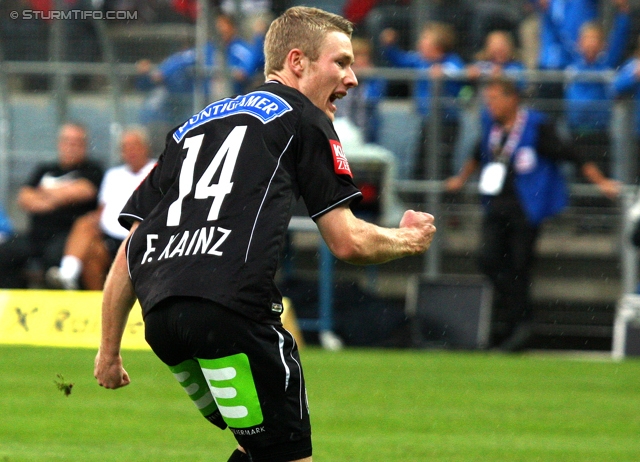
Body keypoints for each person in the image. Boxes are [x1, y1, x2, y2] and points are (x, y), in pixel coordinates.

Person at [94, 6, 436, 462]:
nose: (352, 78)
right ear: (297, 62)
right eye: (341, 62)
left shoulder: (192, 126)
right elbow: (347, 240)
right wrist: (407, 239)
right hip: (230, 310)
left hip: (163, 321)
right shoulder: (305, 118)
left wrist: (109, 350)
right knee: (288, 454)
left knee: (258, 444)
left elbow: (131, 248)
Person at [446, 77, 619, 352]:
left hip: (525, 211)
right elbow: (476, 155)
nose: (490, 106)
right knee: (488, 259)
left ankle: (518, 325)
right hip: (496, 207)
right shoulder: (492, 129)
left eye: (495, 99)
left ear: (512, 98)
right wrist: (460, 179)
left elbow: (571, 154)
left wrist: (603, 183)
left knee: (519, 267)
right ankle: (514, 317)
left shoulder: (538, 127)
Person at [46, 127, 156, 291]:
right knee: (87, 239)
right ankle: (70, 275)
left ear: (145, 147)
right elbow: (102, 209)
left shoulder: (157, 171)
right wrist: (94, 221)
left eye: (134, 146)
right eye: (125, 147)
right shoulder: (113, 174)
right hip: (111, 238)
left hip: (143, 239)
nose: (130, 151)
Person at [0, 122, 103, 288]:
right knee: (5, 253)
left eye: (76, 142)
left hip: (68, 235)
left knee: (54, 260)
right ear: (59, 143)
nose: (71, 146)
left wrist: (43, 193)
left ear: (84, 145)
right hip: (36, 234)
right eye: (67, 141)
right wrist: (61, 197)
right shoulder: (45, 168)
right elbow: (24, 198)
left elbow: (84, 191)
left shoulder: (93, 169)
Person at [380, 22, 465, 179]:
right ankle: (420, 199)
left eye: (425, 39)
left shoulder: (451, 60)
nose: (420, 43)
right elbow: (399, 60)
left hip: (447, 122)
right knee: (422, 161)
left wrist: (442, 72)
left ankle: (443, 199)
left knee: (443, 162)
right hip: (427, 121)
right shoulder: (419, 61)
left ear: (438, 45)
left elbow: (457, 71)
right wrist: (390, 45)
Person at [334, 37, 387, 144]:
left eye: (364, 56)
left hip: (366, 134)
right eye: (357, 56)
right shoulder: (339, 76)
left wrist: (366, 77)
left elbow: (371, 99)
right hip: (340, 129)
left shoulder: (375, 79)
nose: (361, 60)